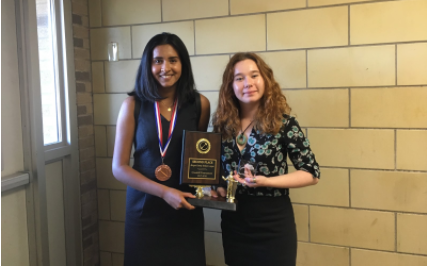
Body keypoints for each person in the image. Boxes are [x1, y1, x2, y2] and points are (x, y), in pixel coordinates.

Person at [211, 52, 320, 266]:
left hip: (273, 222)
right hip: (234, 223)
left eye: (254, 75)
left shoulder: (284, 124)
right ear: (230, 86)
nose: (248, 83)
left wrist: (266, 181)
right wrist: (219, 187)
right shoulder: (222, 126)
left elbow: (311, 173)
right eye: (239, 78)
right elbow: (218, 172)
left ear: (265, 80)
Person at [112, 33, 210, 266]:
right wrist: (164, 192)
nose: (165, 67)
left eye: (173, 60)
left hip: (185, 207)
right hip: (144, 210)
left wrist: (210, 185)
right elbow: (119, 167)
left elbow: (200, 160)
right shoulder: (132, 105)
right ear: (148, 64)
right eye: (158, 61)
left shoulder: (200, 104)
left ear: (183, 64)